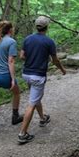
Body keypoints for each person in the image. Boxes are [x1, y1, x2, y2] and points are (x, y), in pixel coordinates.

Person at [17, 16, 66, 144]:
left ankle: (43, 118)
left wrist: (31, 58)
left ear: (36, 26)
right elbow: (55, 60)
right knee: (32, 103)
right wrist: (62, 70)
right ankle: (22, 133)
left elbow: (22, 56)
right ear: (47, 27)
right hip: (38, 76)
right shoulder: (49, 42)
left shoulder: (28, 39)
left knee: (35, 96)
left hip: (26, 74)